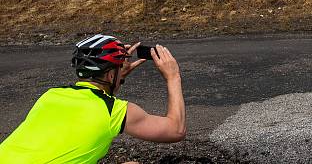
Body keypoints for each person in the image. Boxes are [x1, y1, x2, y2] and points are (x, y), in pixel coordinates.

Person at [0, 34, 186, 163]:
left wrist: (117, 76)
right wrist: (173, 77)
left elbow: (93, 102)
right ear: (110, 76)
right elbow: (176, 130)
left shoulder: (50, 95)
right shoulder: (113, 111)